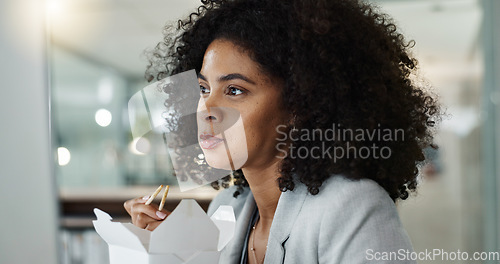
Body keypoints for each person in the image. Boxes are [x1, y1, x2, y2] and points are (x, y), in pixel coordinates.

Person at [124, 0, 441, 263]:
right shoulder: (226, 207)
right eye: (203, 88)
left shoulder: (352, 207)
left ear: (301, 105)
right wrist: (168, 252)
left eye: (234, 90)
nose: (206, 109)